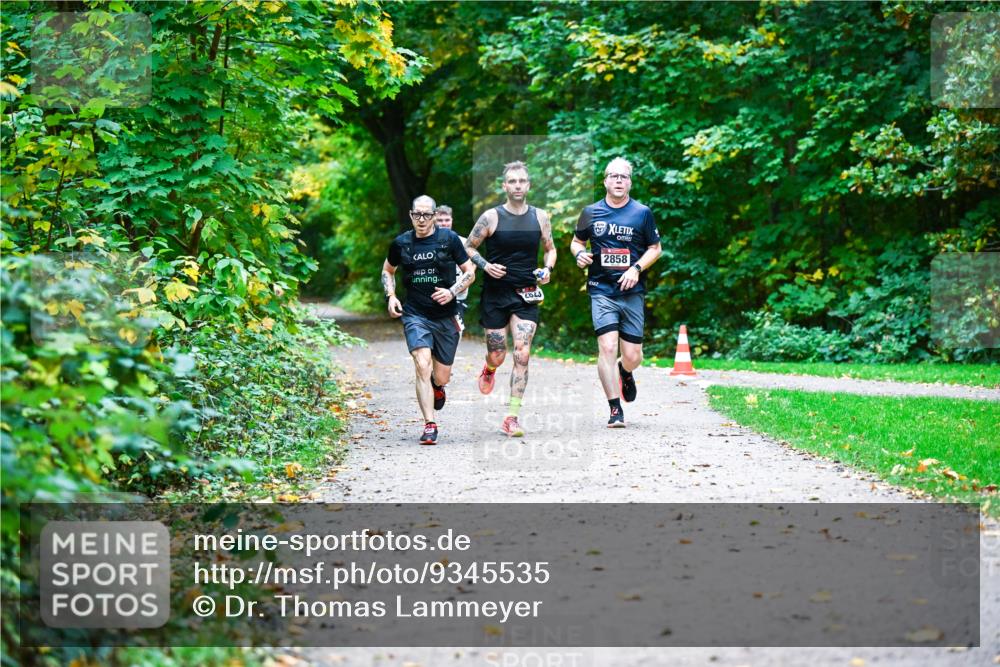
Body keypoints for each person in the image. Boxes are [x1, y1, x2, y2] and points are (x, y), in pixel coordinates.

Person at [465, 161, 556, 437]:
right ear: (505, 186)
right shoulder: (491, 217)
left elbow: (550, 250)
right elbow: (468, 246)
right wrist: (485, 265)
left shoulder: (540, 217)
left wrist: (547, 269)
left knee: (523, 353)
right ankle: (490, 367)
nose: (517, 185)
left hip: (525, 294)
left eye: (522, 181)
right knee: (498, 354)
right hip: (495, 293)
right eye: (512, 181)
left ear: (528, 185)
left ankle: (511, 417)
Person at [569, 157, 662, 428]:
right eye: (614, 176)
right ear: (605, 181)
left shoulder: (642, 212)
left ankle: (625, 371)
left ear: (630, 182)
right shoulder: (590, 212)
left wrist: (635, 269)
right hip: (601, 290)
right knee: (607, 347)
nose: (619, 181)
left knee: (633, 355)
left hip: (632, 291)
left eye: (624, 177)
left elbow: (655, 249)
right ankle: (614, 409)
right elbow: (577, 242)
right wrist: (579, 255)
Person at [382, 195, 476, 445]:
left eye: (426, 215)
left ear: (434, 216)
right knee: (422, 363)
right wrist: (391, 295)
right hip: (416, 314)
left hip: (446, 315)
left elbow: (470, 272)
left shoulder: (449, 240)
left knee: (441, 375)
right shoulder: (401, 243)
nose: (421, 220)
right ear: (411, 215)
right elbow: (388, 270)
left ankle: (438, 385)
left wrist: (452, 291)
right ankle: (429, 424)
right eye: (417, 214)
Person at [433, 205, 470, 334]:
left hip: (457, 298)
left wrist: (455, 289)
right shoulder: (427, 242)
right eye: (440, 220)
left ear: (452, 220)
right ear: (433, 221)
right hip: (433, 296)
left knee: (453, 338)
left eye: (447, 220)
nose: (444, 223)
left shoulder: (465, 243)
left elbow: (472, 269)